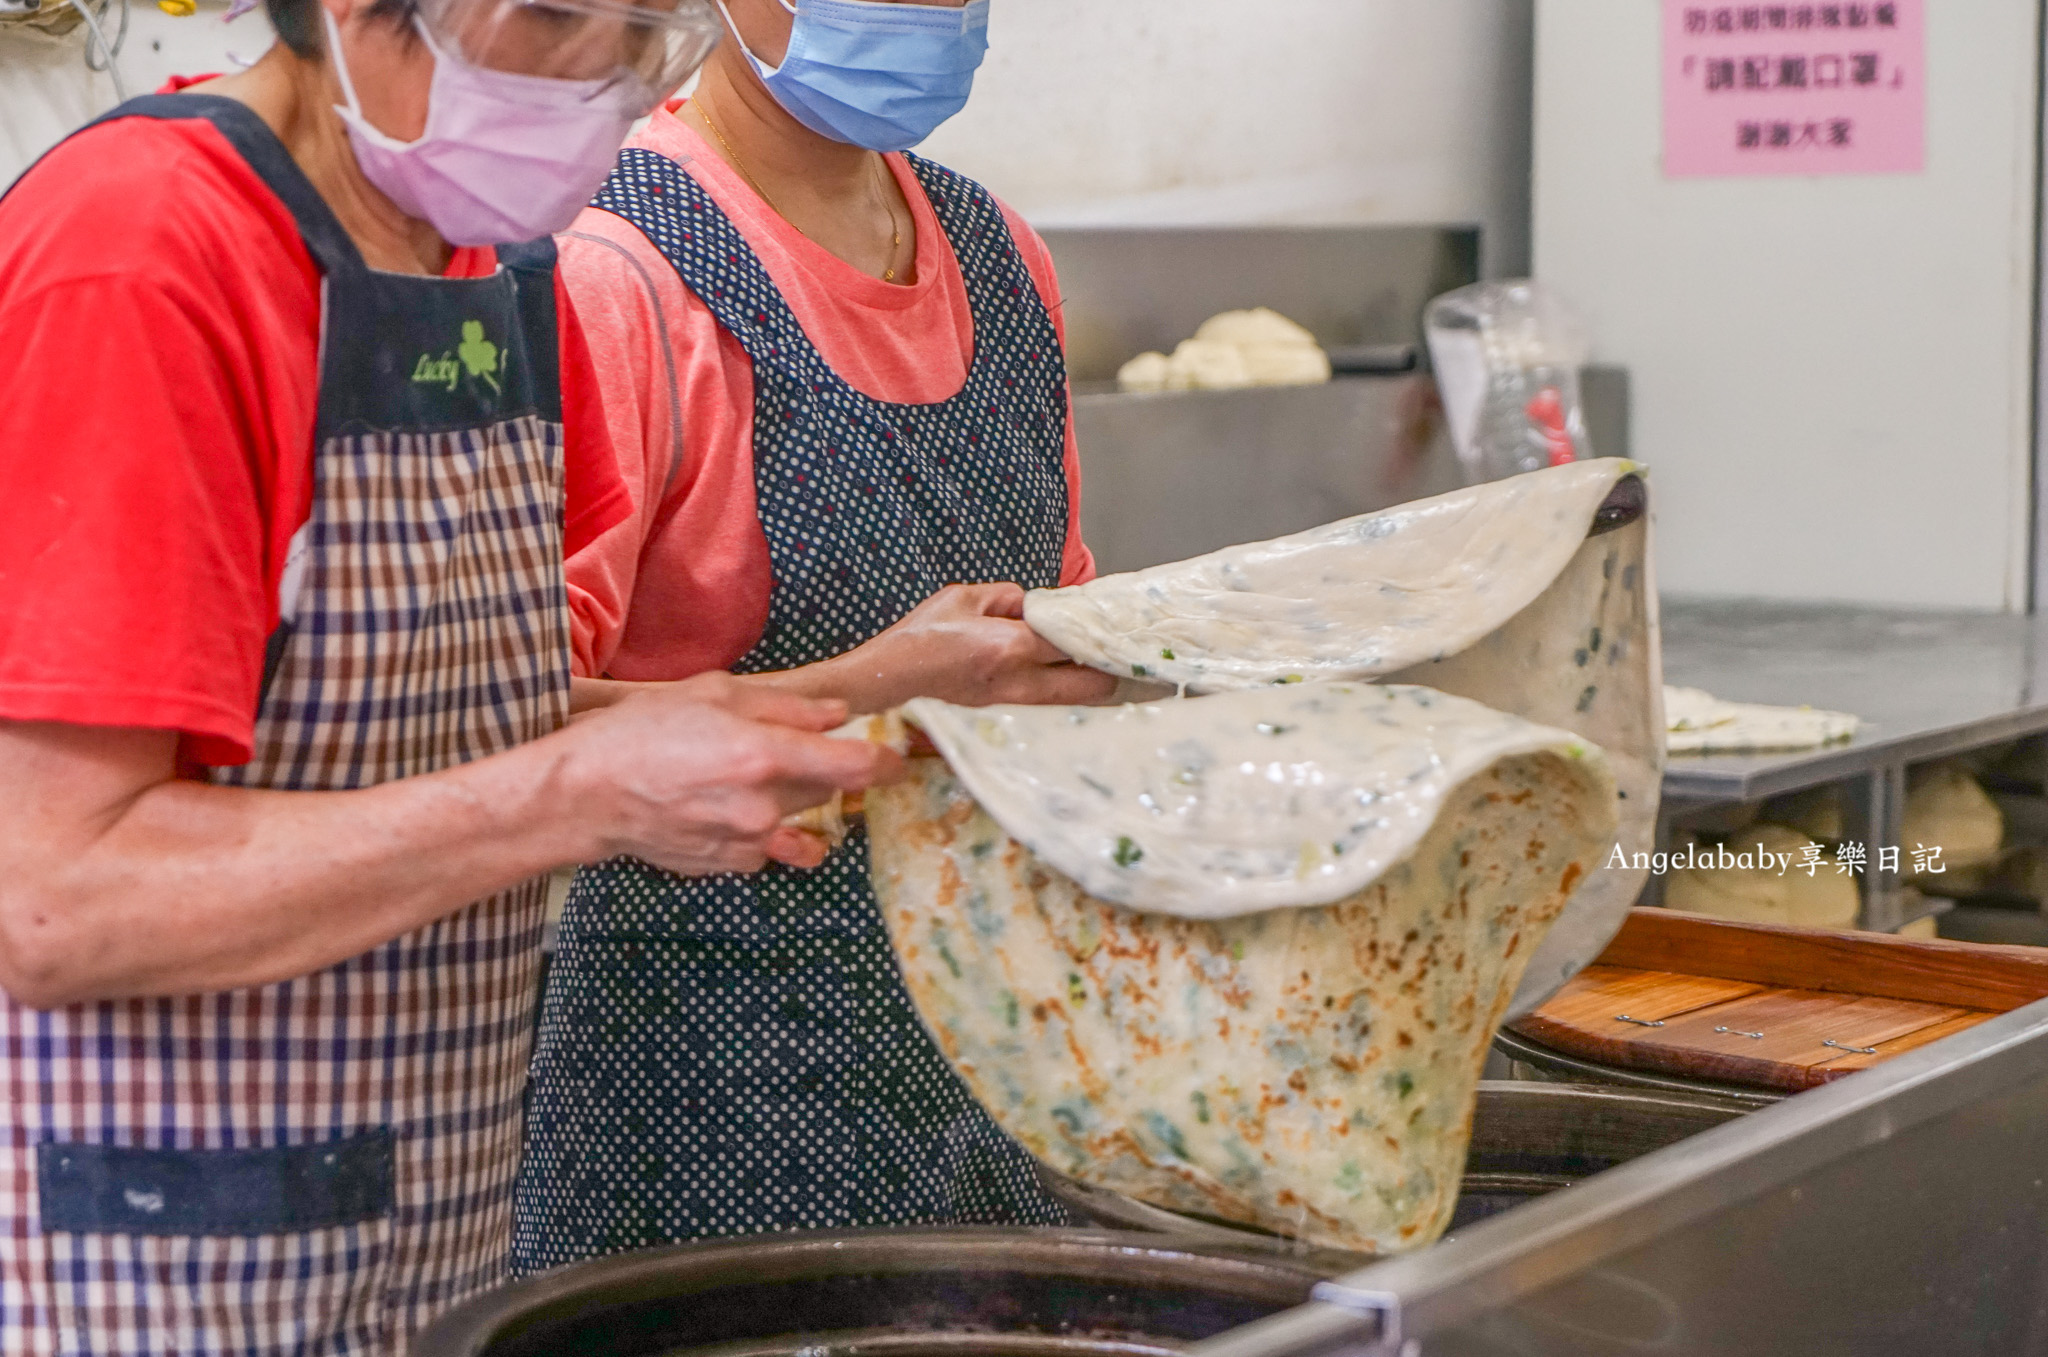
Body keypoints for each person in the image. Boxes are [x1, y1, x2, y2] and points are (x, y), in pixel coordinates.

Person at [0, 0, 902, 1348]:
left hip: (424, 1246)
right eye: (553, 20)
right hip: (152, 1261)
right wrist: (575, 799)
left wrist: (887, 689)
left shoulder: (491, 265)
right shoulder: (146, 254)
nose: (599, 80)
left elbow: (447, 719)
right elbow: (55, 898)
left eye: (645, 34)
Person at [511, 0, 1114, 1270]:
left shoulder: (994, 253)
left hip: (992, 1046)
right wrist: (872, 689)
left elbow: (1060, 622)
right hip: (705, 1066)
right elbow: (496, 712)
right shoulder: (614, 266)